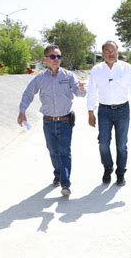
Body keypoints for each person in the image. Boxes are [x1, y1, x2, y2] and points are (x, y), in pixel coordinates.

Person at [18, 45, 86, 196]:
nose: (56, 60)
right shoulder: (40, 79)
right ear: (45, 59)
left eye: (59, 57)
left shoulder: (68, 76)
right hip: (48, 122)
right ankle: (58, 173)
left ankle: (65, 184)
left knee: (65, 152)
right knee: (53, 151)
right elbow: (28, 94)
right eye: (53, 57)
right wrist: (22, 111)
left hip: (65, 121)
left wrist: (81, 89)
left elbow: (79, 92)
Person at [87, 40, 131, 186]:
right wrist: (90, 111)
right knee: (103, 144)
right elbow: (92, 90)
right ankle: (108, 167)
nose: (110, 54)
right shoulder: (96, 70)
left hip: (123, 110)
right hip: (104, 111)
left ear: (117, 51)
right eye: (106, 51)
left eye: (113, 51)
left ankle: (121, 173)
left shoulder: (126, 68)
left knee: (121, 144)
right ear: (102, 54)